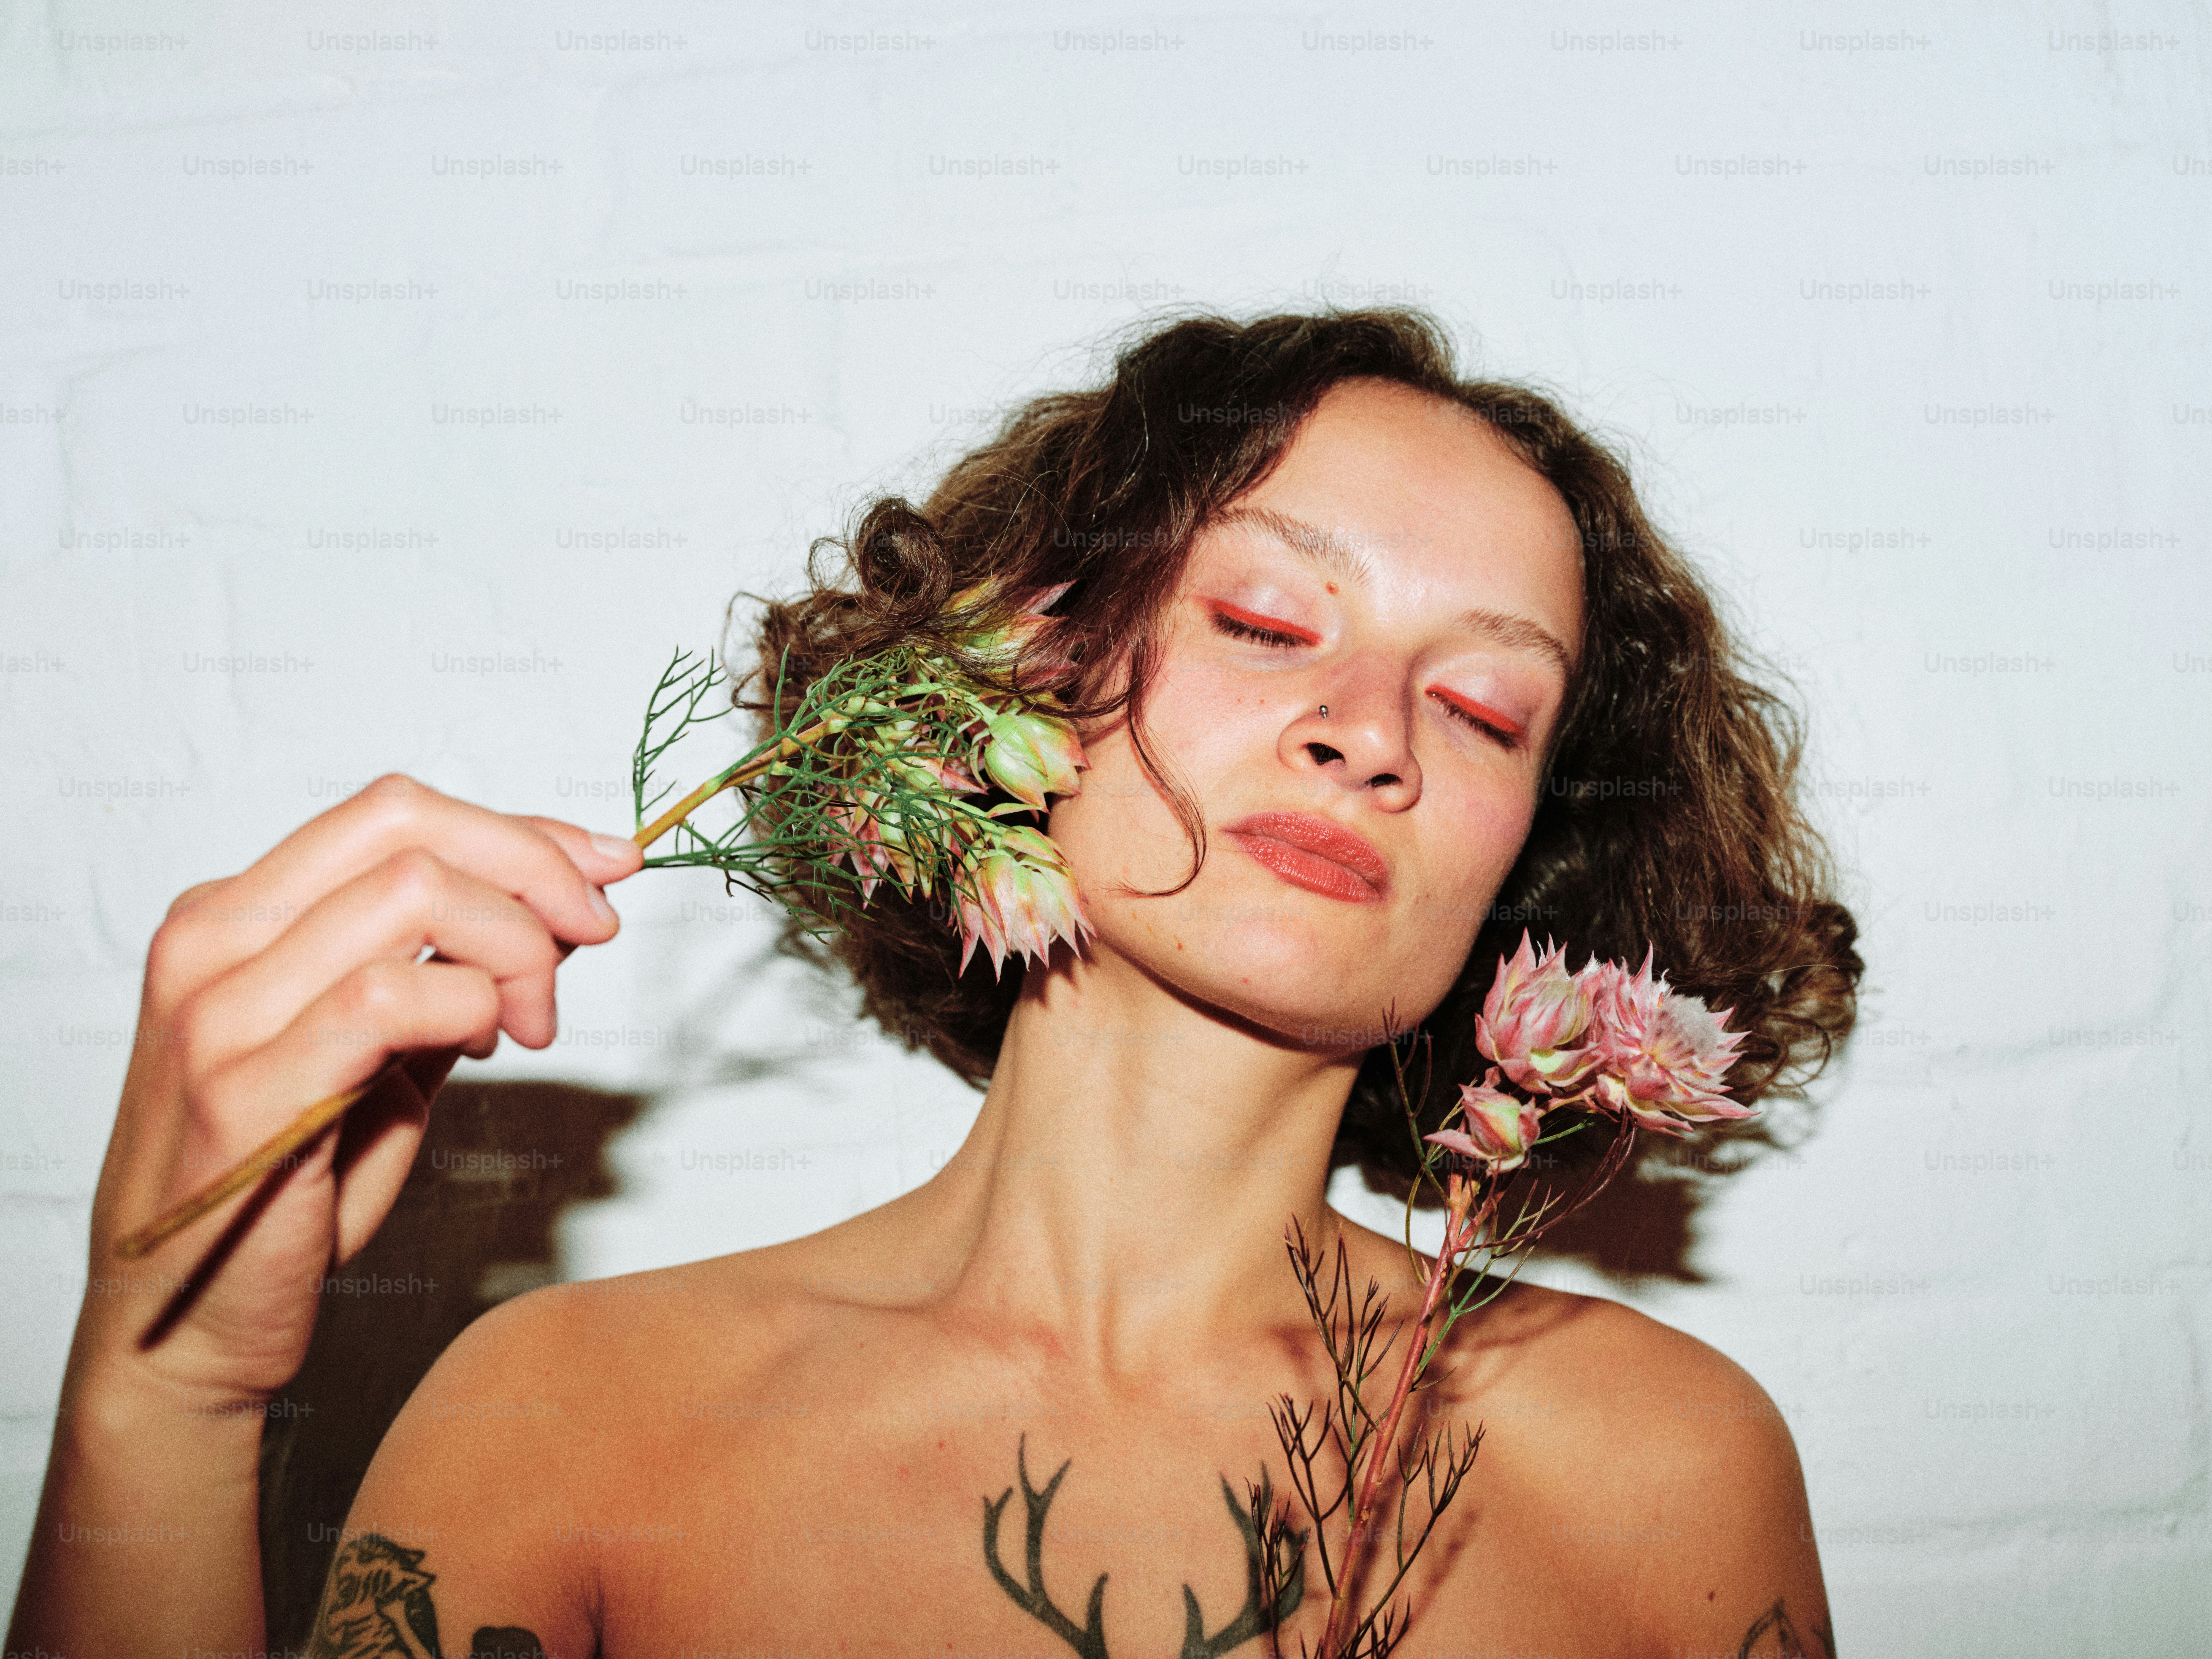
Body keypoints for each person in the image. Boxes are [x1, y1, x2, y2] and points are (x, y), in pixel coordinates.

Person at [8, 309, 1860, 1658]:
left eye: (1481, 708)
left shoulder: (1658, 1470)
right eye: (1269, 621)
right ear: (1019, 679)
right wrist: (164, 1386)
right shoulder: (575, 1414)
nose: (1368, 732)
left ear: (1522, 865)